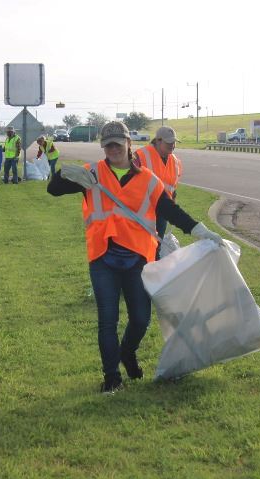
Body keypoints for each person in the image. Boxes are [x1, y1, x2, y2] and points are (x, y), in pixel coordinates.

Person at [47, 121, 222, 393]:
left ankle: (127, 352)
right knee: (108, 319)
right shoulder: (91, 173)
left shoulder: (148, 180)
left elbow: (171, 211)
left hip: (138, 258)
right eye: (108, 145)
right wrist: (64, 174)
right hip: (102, 256)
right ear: (103, 147)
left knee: (141, 318)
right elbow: (53, 189)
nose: (113, 149)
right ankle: (111, 376)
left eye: (118, 144)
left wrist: (201, 230)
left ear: (129, 144)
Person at [134, 126, 183, 238]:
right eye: (169, 142)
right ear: (158, 141)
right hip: (143, 212)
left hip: (163, 211)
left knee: (158, 245)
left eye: (174, 142)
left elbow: (172, 188)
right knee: (142, 245)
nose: (172, 145)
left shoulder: (175, 161)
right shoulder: (140, 156)